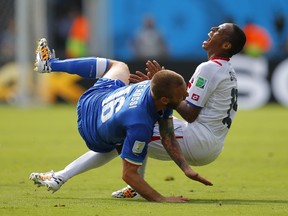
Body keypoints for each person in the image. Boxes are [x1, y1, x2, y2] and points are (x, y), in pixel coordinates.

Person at [30, 22, 246, 199]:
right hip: (210, 141)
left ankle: (62, 177)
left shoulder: (208, 68)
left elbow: (190, 112)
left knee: (126, 129)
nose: (212, 30)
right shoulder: (226, 70)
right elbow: (183, 107)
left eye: (218, 31)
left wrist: (162, 88)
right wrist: (158, 86)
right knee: (134, 124)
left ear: (226, 45)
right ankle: (128, 188)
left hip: (198, 138)